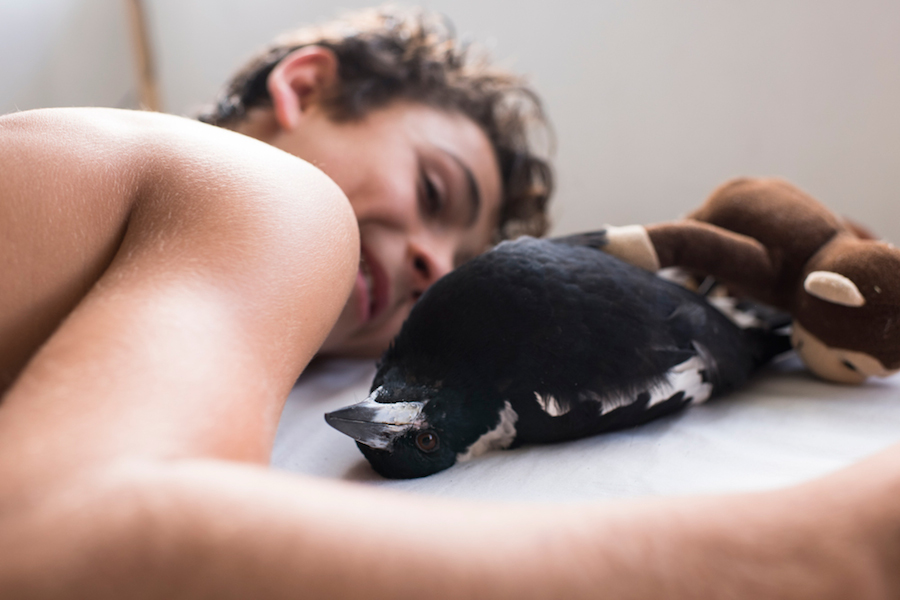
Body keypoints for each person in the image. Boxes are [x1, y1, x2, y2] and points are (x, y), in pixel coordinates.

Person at [0, 6, 897, 599]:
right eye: (434, 189)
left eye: (457, 267)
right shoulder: (255, 190)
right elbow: (77, 545)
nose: (432, 266)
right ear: (305, 87)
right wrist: (831, 549)